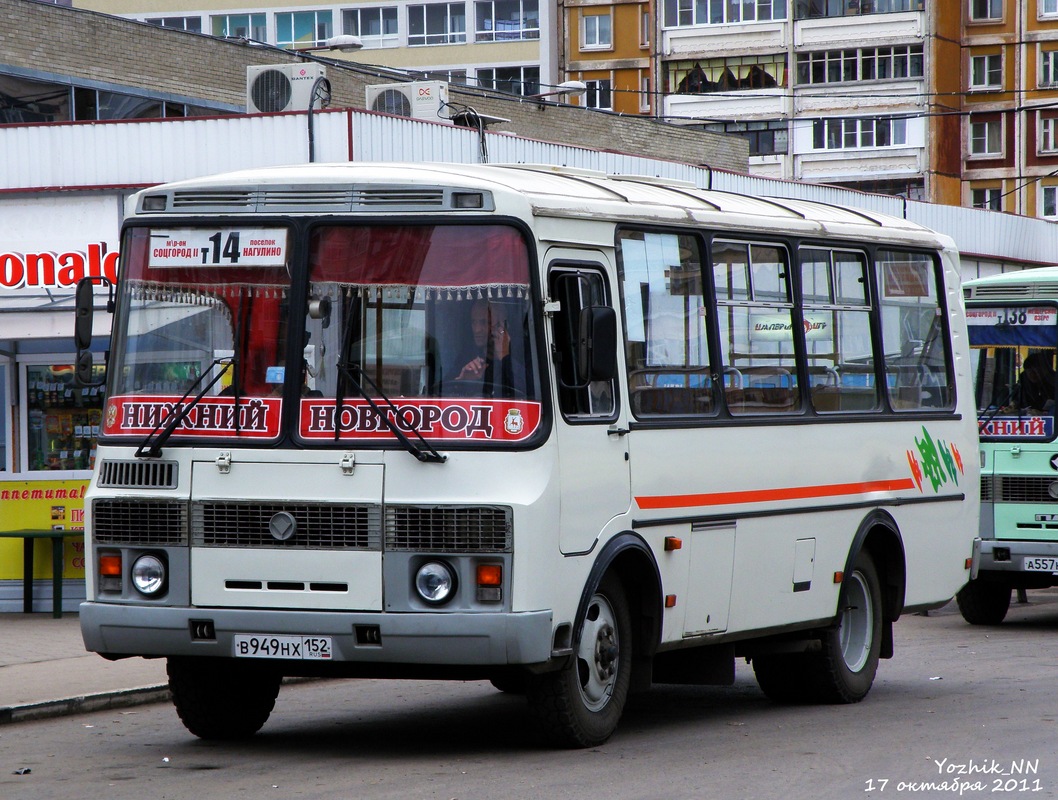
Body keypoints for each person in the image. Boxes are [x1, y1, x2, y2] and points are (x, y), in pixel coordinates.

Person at [448, 299, 525, 398]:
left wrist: (505, 357)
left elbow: (530, 393)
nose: (477, 329)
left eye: (484, 322)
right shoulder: (467, 357)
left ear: (501, 327)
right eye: (473, 322)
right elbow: (438, 392)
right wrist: (462, 380)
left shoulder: (522, 353)